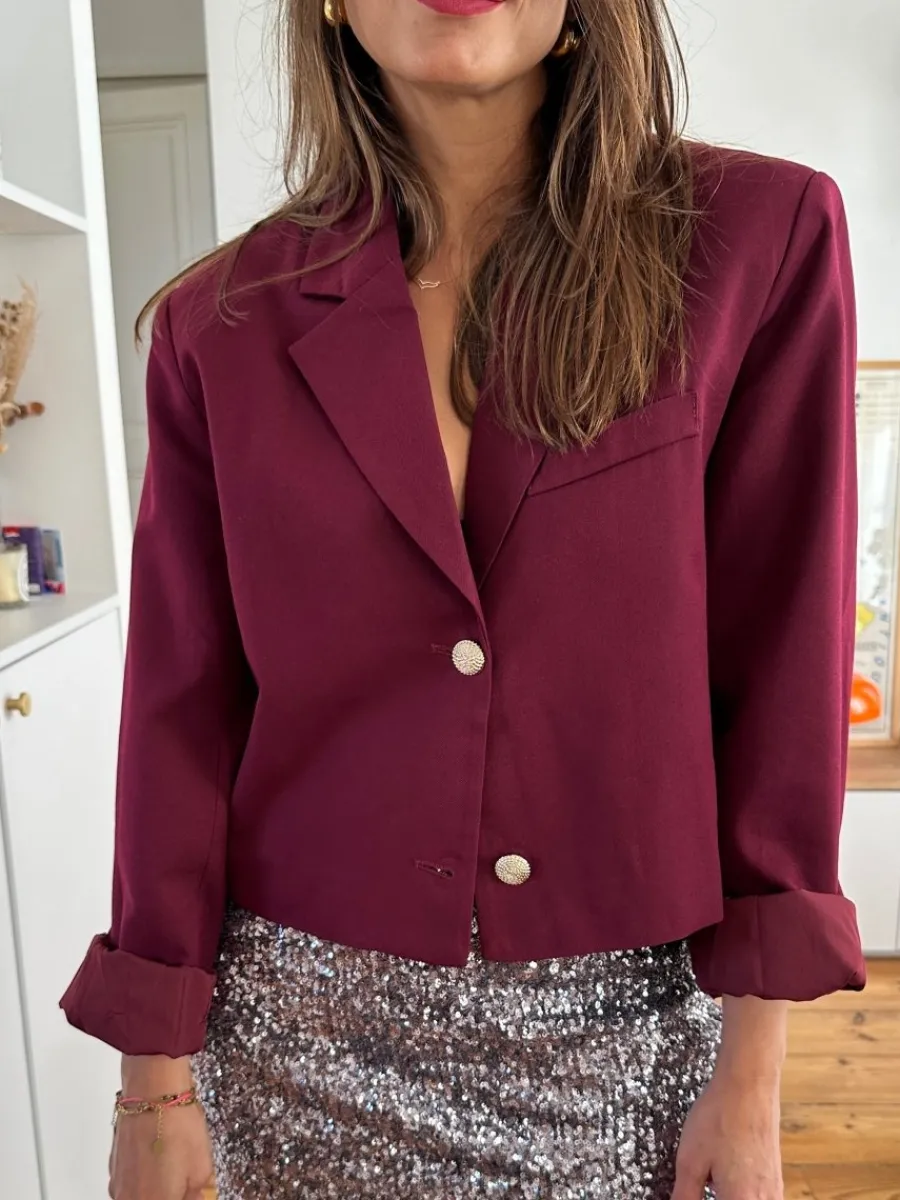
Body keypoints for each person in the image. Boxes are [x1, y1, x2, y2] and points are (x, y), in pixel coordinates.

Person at [60, 0, 866, 1196]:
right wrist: (152, 1083)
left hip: (633, 1033)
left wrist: (752, 1073)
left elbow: (783, 659)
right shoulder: (217, 325)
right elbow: (181, 712)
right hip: (298, 1041)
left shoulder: (757, 241)